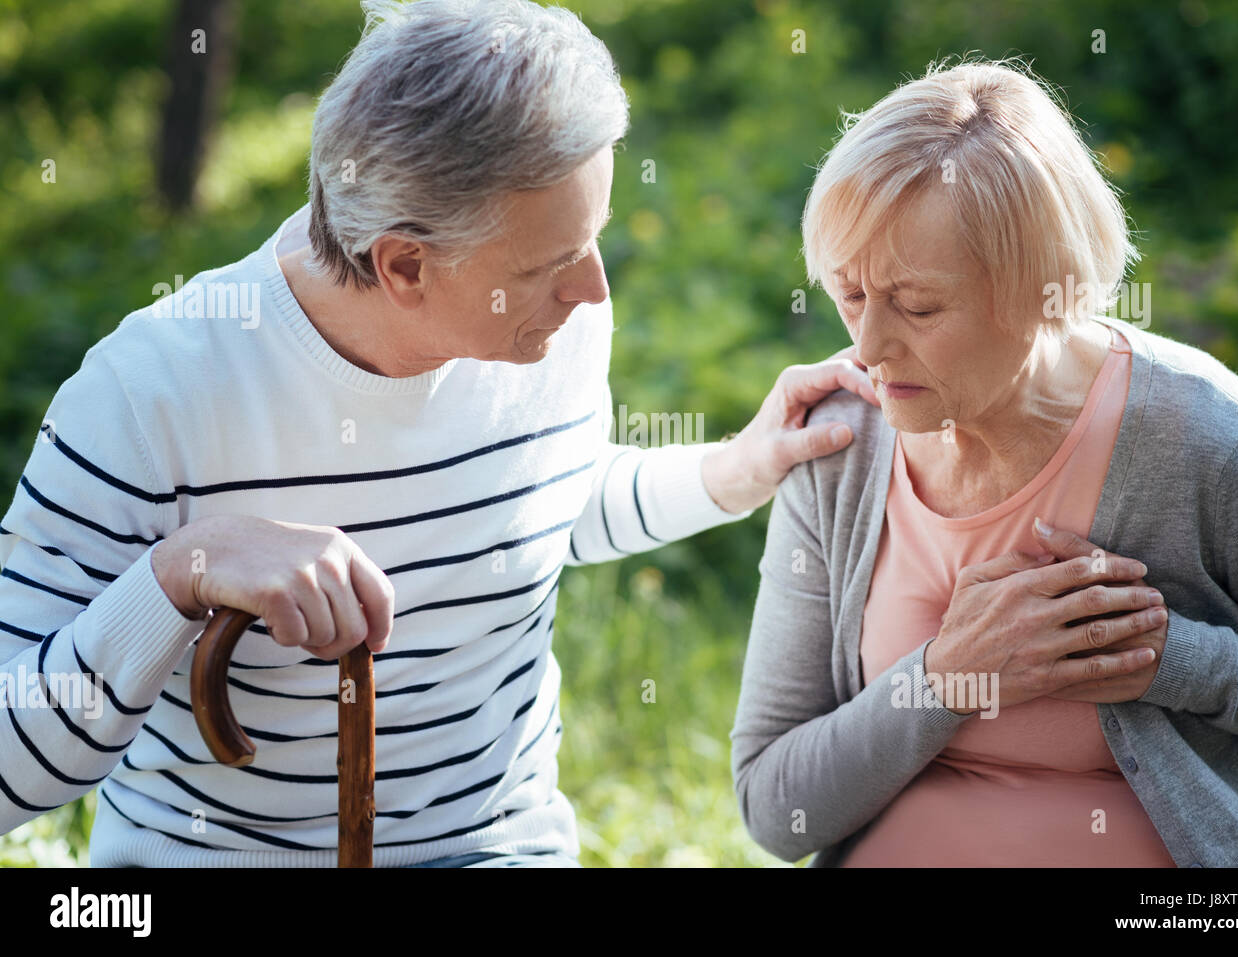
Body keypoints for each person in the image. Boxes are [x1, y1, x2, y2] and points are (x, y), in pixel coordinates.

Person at [0, 0, 874, 867]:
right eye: (550, 266)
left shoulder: (549, 328)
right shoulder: (149, 393)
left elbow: (535, 505)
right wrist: (179, 574)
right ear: (405, 265)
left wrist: (731, 470)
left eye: (594, 240)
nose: (595, 293)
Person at [731, 57, 1238, 868]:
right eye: (849, 293)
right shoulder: (839, 441)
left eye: (917, 305)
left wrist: (1170, 662)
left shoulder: (1201, 439)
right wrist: (947, 676)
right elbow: (775, 810)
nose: (867, 347)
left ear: (1046, 291)